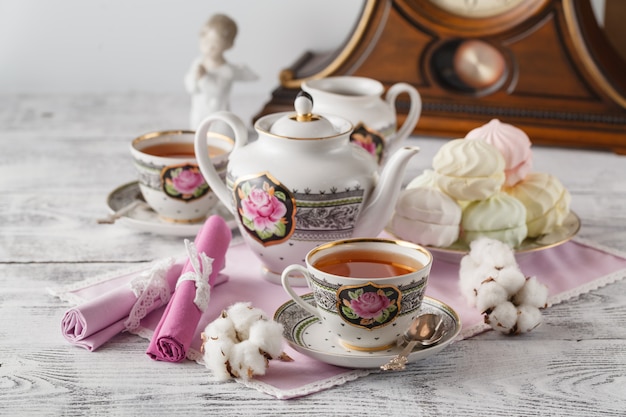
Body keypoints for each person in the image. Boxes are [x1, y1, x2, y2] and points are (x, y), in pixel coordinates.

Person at [185, 14, 257, 131]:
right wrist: (194, 78)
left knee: (219, 139)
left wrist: (204, 78)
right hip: (199, 113)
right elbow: (190, 87)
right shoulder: (197, 63)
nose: (208, 48)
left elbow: (217, 92)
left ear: (228, 46)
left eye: (214, 46)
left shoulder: (227, 71)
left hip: (218, 119)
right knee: (198, 134)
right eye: (205, 42)